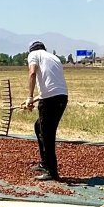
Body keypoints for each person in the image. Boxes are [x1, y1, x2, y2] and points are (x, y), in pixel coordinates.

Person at [24, 41, 68, 182]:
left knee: (47, 134)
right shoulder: (53, 57)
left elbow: (32, 73)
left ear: (31, 50)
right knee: (39, 127)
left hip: (50, 101)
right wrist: (34, 100)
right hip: (61, 98)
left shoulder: (33, 55)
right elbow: (51, 87)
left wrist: (29, 96)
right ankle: (45, 163)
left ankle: (52, 171)